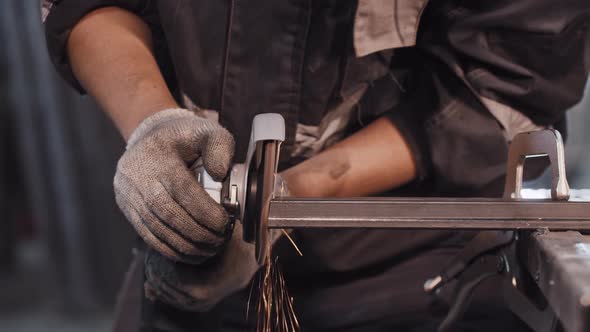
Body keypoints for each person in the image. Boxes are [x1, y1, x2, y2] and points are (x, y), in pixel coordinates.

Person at [43, 1, 590, 331]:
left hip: (422, 273)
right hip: (194, 287)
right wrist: (153, 124)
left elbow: (501, 84)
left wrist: (285, 191)